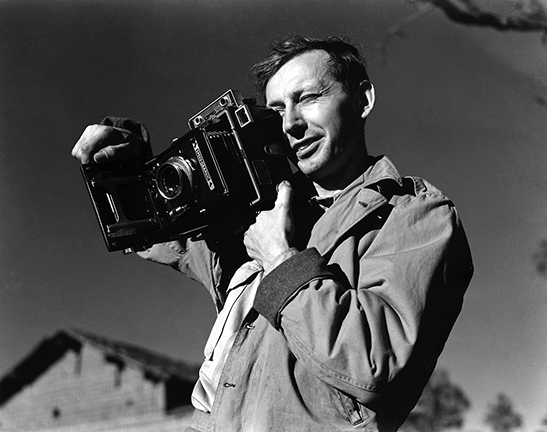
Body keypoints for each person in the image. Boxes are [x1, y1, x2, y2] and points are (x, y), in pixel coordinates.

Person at [72, 35, 473, 432]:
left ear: (363, 100)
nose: (291, 123)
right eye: (278, 108)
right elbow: (160, 233)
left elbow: (377, 364)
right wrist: (127, 169)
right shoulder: (258, 214)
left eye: (309, 97)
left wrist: (280, 260)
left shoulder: (415, 212)